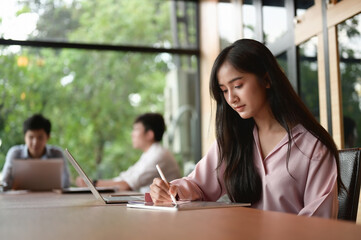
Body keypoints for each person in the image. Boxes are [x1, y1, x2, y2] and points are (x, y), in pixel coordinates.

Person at [150, 39, 343, 219]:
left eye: (238, 85)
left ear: (266, 80)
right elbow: (198, 185)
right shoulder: (234, 140)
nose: (231, 98)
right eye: (224, 90)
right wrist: (171, 190)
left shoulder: (313, 148)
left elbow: (317, 224)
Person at [76, 113, 181, 193]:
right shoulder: (149, 154)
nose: (132, 134)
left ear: (149, 134)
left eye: (136, 130)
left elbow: (127, 185)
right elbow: (125, 178)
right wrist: (93, 183)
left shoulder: (158, 155)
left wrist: (92, 183)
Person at [1, 113, 70, 189]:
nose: (35, 142)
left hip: (51, 199)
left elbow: (65, 184)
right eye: (31, 137)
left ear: (48, 137)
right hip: (20, 199)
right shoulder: (15, 154)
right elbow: (5, 184)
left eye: (40, 137)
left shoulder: (57, 154)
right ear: (25, 137)